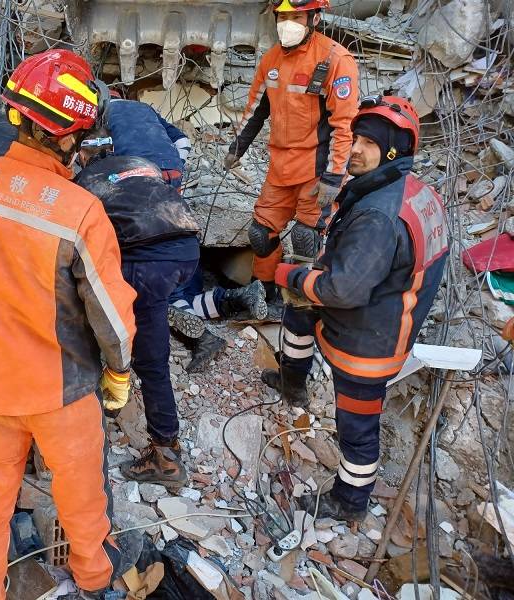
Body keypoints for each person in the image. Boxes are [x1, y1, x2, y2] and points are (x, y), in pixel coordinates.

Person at [0, 50, 140, 599]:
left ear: (17, 115)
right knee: (81, 501)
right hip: (60, 389)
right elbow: (111, 314)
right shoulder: (78, 211)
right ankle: (95, 581)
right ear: (73, 135)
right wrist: (119, 375)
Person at [265, 96, 448, 521]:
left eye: (369, 142)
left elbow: (342, 290)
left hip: (368, 343)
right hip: (382, 310)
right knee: (298, 312)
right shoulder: (411, 191)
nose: (356, 148)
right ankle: (293, 383)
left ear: (392, 152)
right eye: (356, 138)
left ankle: (350, 501)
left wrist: (289, 276)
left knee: (357, 429)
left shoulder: (379, 217)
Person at [101, 95, 268, 370]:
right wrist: (175, 167)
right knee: (173, 253)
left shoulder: (100, 113)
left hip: (135, 180)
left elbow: (99, 160)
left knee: (149, 276)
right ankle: (234, 299)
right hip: (170, 177)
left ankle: (201, 336)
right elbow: (183, 140)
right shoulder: (144, 110)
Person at [75, 127, 201, 486]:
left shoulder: (84, 182)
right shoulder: (141, 164)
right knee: (147, 320)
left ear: (84, 153)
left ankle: (165, 456)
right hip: (186, 252)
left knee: (149, 358)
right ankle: (162, 439)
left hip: (146, 262)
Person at [224, 0, 359, 320]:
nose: (287, 23)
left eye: (295, 17)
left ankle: (301, 304)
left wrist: (334, 176)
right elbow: (256, 109)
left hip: (317, 169)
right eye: (282, 17)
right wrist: (236, 147)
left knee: (305, 236)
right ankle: (263, 291)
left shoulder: (335, 60)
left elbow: (345, 125)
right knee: (260, 233)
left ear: (314, 17)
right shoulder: (270, 60)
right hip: (280, 168)